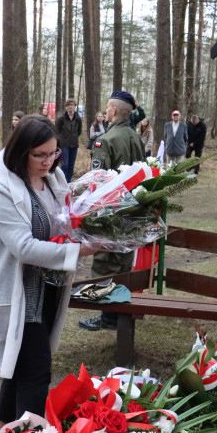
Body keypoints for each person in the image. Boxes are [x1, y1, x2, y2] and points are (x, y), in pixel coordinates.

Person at [0, 115, 95, 433]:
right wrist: (78, 252)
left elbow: (66, 217)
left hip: (48, 288)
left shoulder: (53, 177)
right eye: (40, 155)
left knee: (18, 371)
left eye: (54, 154)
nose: (49, 161)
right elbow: (24, 247)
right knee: (36, 373)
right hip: (16, 296)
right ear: (21, 150)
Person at [79, 90, 146, 332]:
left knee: (105, 265)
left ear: (115, 111)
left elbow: (96, 181)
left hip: (110, 212)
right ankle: (118, 314)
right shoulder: (136, 138)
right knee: (124, 264)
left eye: (108, 108)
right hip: (132, 212)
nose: (106, 112)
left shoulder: (105, 141)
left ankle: (108, 317)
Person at [55, 99, 83, 181]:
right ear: (66, 107)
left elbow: (79, 131)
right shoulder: (61, 119)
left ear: (75, 106)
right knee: (65, 164)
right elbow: (56, 131)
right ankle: (62, 181)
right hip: (64, 144)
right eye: (69, 105)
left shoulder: (78, 119)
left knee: (71, 165)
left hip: (74, 144)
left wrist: (73, 137)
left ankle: (68, 182)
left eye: (72, 105)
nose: (70, 107)